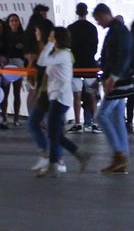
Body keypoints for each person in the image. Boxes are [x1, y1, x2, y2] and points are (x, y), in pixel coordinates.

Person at [31, 27, 87, 176]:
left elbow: (41, 61)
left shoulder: (62, 54)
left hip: (60, 97)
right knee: (54, 133)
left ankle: (56, 164)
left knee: (53, 133)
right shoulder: (59, 54)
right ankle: (76, 156)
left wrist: (48, 44)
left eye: (52, 36)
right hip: (56, 96)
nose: (50, 39)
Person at [92, 3, 134, 174]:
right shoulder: (119, 30)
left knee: (101, 115)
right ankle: (122, 157)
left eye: (98, 19)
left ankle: (119, 154)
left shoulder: (117, 32)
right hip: (121, 80)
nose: (98, 23)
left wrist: (112, 77)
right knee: (117, 119)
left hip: (118, 81)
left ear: (104, 15)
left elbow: (123, 56)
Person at [69, 3, 100, 134]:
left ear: (76, 12)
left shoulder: (71, 28)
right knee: (92, 95)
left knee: (76, 96)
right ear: (87, 12)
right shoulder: (92, 28)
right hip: (89, 65)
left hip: (75, 66)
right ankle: (95, 122)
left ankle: (77, 122)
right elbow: (95, 47)